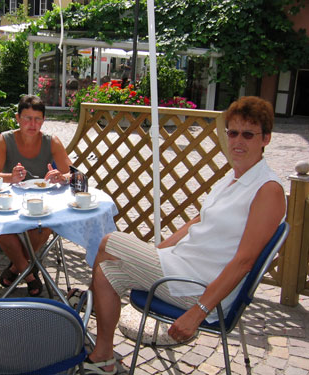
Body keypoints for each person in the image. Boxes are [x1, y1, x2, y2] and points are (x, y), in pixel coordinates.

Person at [79, 96, 286, 374]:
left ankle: (79, 308)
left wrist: (198, 312)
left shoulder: (267, 189)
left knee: (110, 241)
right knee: (106, 270)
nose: (238, 141)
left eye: (248, 134)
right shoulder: (234, 177)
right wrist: (159, 251)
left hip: (199, 288)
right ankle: (103, 355)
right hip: (182, 266)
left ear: (266, 139)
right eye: (233, 132)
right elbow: (199, 220)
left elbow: (244, 262)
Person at [0, 95, 72, 296]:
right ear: (17, 118)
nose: (32, 124)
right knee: (0, 229)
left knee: (45, 226)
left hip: (41, 202)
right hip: (10, 202)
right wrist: (10, 177)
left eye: (38, 119)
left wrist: (61, 176)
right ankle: (31, 274)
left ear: (43, 120)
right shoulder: (5, 139)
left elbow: (72, 173)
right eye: (27, 118)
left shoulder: (52, 141)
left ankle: (18, 268)